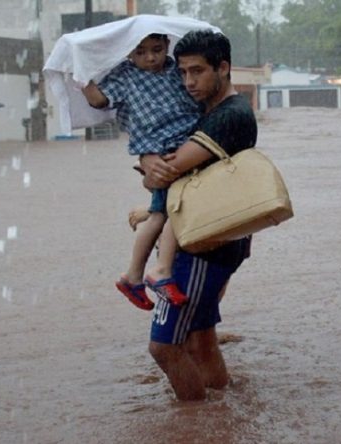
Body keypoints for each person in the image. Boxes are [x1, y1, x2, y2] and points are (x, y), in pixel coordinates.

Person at [139, 30, 257, 401]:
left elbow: (167, 171)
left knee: (164, 346)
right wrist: (151, 165)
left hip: (204, 247)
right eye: (183, 72)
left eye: (197, 71)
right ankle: (221, 412)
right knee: (199, 339)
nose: (188, 81)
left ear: (223, 68)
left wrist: (147, 161)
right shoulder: (211, 110)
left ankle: (194, 420)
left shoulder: (229, 116)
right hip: (216, 237)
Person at [82, 33, 200, 310]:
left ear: (167, 46)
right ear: (128, 53)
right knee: (174, 211)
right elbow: (99, 100)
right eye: (141, 52)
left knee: (161, 213)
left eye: (157, 50)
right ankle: (159, 271)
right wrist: (81, 76)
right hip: (161, 152)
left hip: (185, 145)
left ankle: (134, 276)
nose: (150, 58)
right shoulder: (125, 76)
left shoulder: (176, 69)